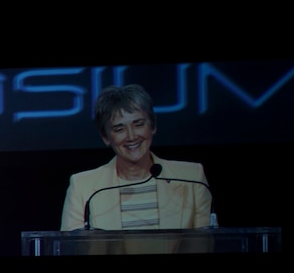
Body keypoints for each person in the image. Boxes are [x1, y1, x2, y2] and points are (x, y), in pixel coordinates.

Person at [59, 84, 212, 231]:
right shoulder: (83, 187)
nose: (131, 136)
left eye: (138, 124)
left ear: (153, 126)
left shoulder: (191, 178)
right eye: (119, 129)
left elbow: (205, 244)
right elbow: (72, 247)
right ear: (105, 137)